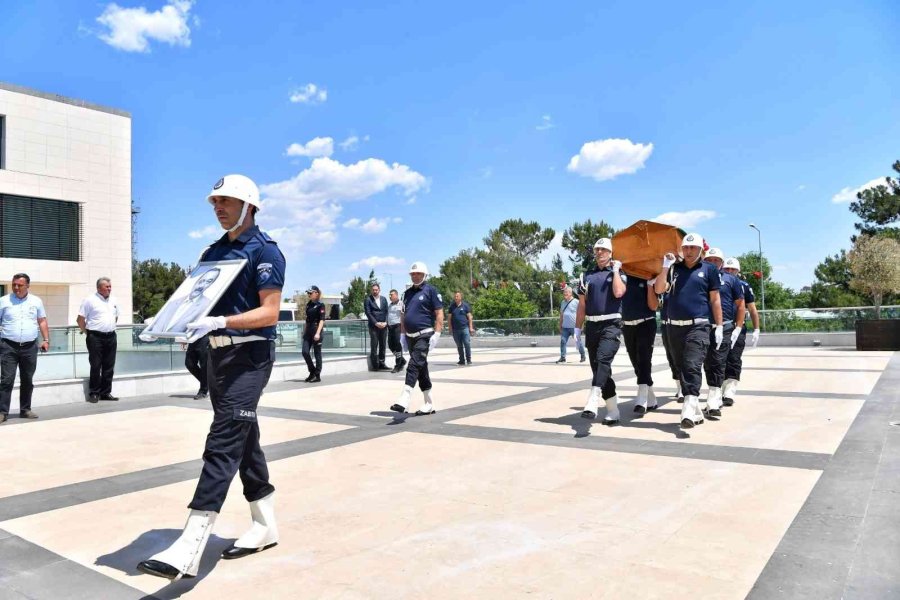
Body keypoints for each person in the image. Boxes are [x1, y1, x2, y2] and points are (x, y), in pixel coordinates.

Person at [137, 174, 285, 580]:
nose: (217, 207)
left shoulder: (265, 252)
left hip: (251, 356)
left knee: (222, 440)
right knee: (243, 438)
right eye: (214, 201)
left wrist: (222, 320)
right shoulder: (214, 251)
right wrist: (171, 320)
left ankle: (190, 544)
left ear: (249, 205)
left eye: (226, 201)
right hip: (217, 359)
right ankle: (264, 523)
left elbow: (270, 312)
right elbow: (195, 298)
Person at [653, 233, 724, 429]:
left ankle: (689, 406)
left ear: (701, 250)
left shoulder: (709, 270)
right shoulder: (674, 268)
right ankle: (696, 411)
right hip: (674, 328)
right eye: (686, 248)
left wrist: (718, 325)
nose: (689, 251)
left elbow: (715, 299)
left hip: (699, 325)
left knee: (692, 364)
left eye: (693, 248)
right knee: (681, 367)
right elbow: (659, 289)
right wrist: (665, 267)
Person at [577, 238, 626, 425]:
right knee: (599, 368)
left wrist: (615, 271)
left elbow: (619, 293)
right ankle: (613, 410)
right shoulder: (586, 276)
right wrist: (577, 327)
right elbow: (582, 304)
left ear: (611, 253)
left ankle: (593, 398)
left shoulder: (619, 273)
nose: (599, 252)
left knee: (604, 359)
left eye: (604, 250)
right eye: (597, 249)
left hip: (611, 324)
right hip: (592, 326)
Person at [390, 262, 444, 416]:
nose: (415, 276)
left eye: (418, 274)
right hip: (410, 337)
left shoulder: (431, 291)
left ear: (424, 275)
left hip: (425, 335)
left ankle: (404, 397)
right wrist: (402, 334)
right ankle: (429, 403)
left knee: (413, 365)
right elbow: (403, 315)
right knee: (421, 370)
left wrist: (437, 333)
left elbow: (439, 313)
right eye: (412, 274)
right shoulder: (406, 294)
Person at [700, 248, 744, 417]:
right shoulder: (699, 277)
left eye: (716, 260)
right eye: (709, 260)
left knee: (718, 362)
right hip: (703, 326)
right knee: (707, 363)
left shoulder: (731, 280)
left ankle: (713, 399)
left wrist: (738, 327)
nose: (712, 263)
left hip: (724, 327)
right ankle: (714, 393)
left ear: (721, 263)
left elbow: (740, 305)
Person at [0, 273, 49, 423]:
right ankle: (2, 412)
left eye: (20, 285)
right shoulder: (3, 301)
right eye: (14, 284)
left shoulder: (36, 301)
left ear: (27, 285)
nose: (16, 287)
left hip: (30, 346)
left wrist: (46, 339)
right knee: (6, 380)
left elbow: (41, 321)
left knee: (27, 379)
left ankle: (25, 409)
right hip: (8, 346)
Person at [722, 257, 759, 406]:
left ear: (738, 271)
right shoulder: (717, 283)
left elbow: (752, 309)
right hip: (721, 326)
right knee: (719, 359)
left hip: (738, 327)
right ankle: (721, 388)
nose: (730, 272)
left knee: (734, 358)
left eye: (733, 269)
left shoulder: (744, 286)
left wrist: (757, 329)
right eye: (727, 269)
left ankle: (730, 390)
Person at [77, 277, 121, 403]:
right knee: (96, 365)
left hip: (111, 336)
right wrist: (88, 333)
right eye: (106, 286)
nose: (109, 288)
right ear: (99, 288)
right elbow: (80, 320)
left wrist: (109, 327)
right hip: (95, 337)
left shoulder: (114, 300)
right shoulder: (89, 300)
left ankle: (106, 393)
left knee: (109, 366)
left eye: (110, 286)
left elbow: (115, 317)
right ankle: (94, 392)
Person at [621, 273, 659, 414]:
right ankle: (652, 399)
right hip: (627, 325)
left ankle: (642, 398)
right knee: (636, 363)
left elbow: (654, 306)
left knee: (644, 360)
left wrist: (649, 285)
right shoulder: (620, 277)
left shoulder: (647, 274)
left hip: (646, 322)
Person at [150, 267, 220, 334]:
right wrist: (150, 331)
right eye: (202, 280)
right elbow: (158, 327)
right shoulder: (173, 302)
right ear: (197, 280)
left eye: (208, 282)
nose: (202, 285)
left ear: (211, 284)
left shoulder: (207, 304)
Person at [301, 285, 326, 383]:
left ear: (316, 293)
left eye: (310, 293)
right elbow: (307, 320)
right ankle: (312, 371)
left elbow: (322, 320)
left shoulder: (321, 305)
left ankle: (317, 375)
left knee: (317, 354)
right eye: (308, 293)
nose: (309, 294)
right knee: (305, 352)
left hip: (316, 331)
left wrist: (318, 333)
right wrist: (304, 331)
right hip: (308, 332)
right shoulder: (308, 304)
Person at [364, 283, 389, 371]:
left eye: (376, 290)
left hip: (384, 326)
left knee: (383, 345)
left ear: (379, 290)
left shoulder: (384, 299)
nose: (375, 291)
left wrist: (386, 322)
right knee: (374, 345)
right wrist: (376, 323)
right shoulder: (368, 300)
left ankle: (382, 363)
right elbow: (368, 313)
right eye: (373, 290)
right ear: (371, 290)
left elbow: (387, 311)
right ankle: (375, 365)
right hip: (374, 326)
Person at [557, 286, 585, 364]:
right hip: (565, 327)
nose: (564, 294)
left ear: (570, 293)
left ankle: (583, 355)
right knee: (563, 341)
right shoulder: (563, 302)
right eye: (564, 293)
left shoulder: (576, 301)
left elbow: (581, 313)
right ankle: (563, 357)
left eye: (566, 293)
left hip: (574, 326)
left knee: (578, 342)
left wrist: (581, 325)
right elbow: (561, 314)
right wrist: (560, 325)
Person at [448, 291, 474, 365]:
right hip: (455, 330)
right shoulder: (451, 307)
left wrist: (471, 328)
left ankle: (469, 360)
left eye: (457, 296)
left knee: (467, 343)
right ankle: (461, 360)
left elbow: (470, 317)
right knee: (459, 345)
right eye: (455, 296)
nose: (455, 297)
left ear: (460, 297)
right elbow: (449, 318)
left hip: (465, 328)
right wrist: (450, 328)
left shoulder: (465, 306)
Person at [183, 335, 210, 399]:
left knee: (204, 366)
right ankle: (208, 383)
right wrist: (183, 339)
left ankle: (203, 391)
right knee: (189, 364)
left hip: (205, 338)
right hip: (193, 339)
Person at [387, 289, 406, 373]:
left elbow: (403, 316)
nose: (390, 296)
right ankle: (402, 359)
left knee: (398, 346)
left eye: (392, 295)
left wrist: (403, 329)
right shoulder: (390, 305)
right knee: (391, 345)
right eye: (389, 295)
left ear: (396, 295)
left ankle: (398, 365)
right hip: (390, 327)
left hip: (398, 326)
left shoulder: (401, 303)